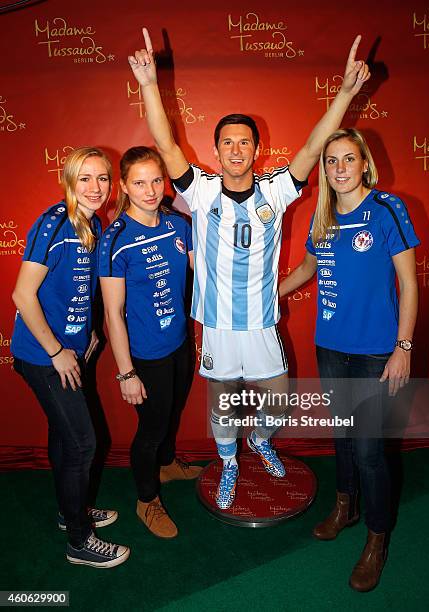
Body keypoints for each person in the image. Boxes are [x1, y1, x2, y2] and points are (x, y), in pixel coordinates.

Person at [127, 28, 370, 510]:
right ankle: (230, 461)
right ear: (216, 152)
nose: (236, 150)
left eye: (244, 143)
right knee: (221, 400)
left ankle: (259, 439)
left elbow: (309, 148)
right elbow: (166, 141)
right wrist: (149, 85)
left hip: (260, 320)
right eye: (227, 143)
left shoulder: (278, 189)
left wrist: (343, 94)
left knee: (277, 397)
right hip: (217, 322)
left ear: (256, 150)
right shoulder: (199, 191)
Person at [279, 128, 419, 591]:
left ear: (364, 164)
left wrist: (403, 348)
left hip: (377, 352)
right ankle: (346, 505)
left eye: (347, 159)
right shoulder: (321, 217)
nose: (339, 168)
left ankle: (377, 538)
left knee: (369, 449)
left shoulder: (387, 209)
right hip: (331, 347)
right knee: (342, 434)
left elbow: (410, 284)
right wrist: (263, 296)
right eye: (331, 161)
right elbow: (306, 269)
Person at [11, 147, 130, 568]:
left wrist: (89, 328)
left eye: (102, 178)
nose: (95, 188)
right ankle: (80, 540)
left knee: (65, 437)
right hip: (43, 356)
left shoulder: (93, 222)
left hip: (69, 349)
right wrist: (58, 350)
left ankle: (70, 510)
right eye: (85, 178)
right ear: (68, 181)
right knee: (83, 443)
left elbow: (76, 286)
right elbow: (22, 295)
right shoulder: (53, 224)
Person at [99, 146, 200, 539]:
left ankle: (168, 464)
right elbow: (112, 314)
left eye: (157, 180)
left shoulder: (178, 225)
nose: (150, 190)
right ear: (124, 185)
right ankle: (146, 500)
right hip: (146, 354)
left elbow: (205, 271)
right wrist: (126, 373)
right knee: (151, 429)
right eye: (139, 183)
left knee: (172, 413)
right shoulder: (115, 239)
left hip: (180, 342)